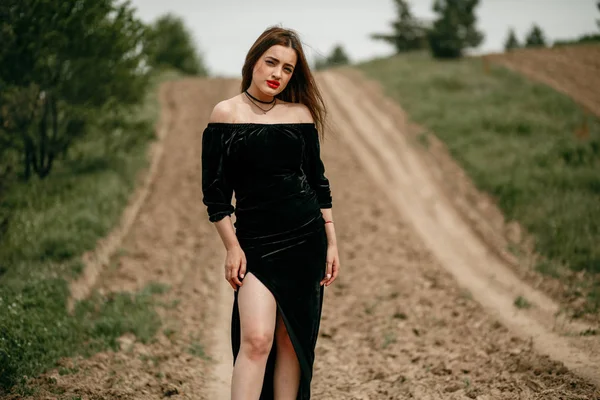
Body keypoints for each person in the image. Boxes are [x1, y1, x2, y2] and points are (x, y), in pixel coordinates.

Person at [201, 26, 340, 400]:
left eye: (288, 69)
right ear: (254, 62)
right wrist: (232, 247)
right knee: (257, 340)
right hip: (256, 246)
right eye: (271, 62)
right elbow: (214, 196)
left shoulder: (300, 115)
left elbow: (318, 183)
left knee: (290, 342)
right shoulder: (225, 114)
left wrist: (331, 242)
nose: (278, 74)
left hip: (305, 240)